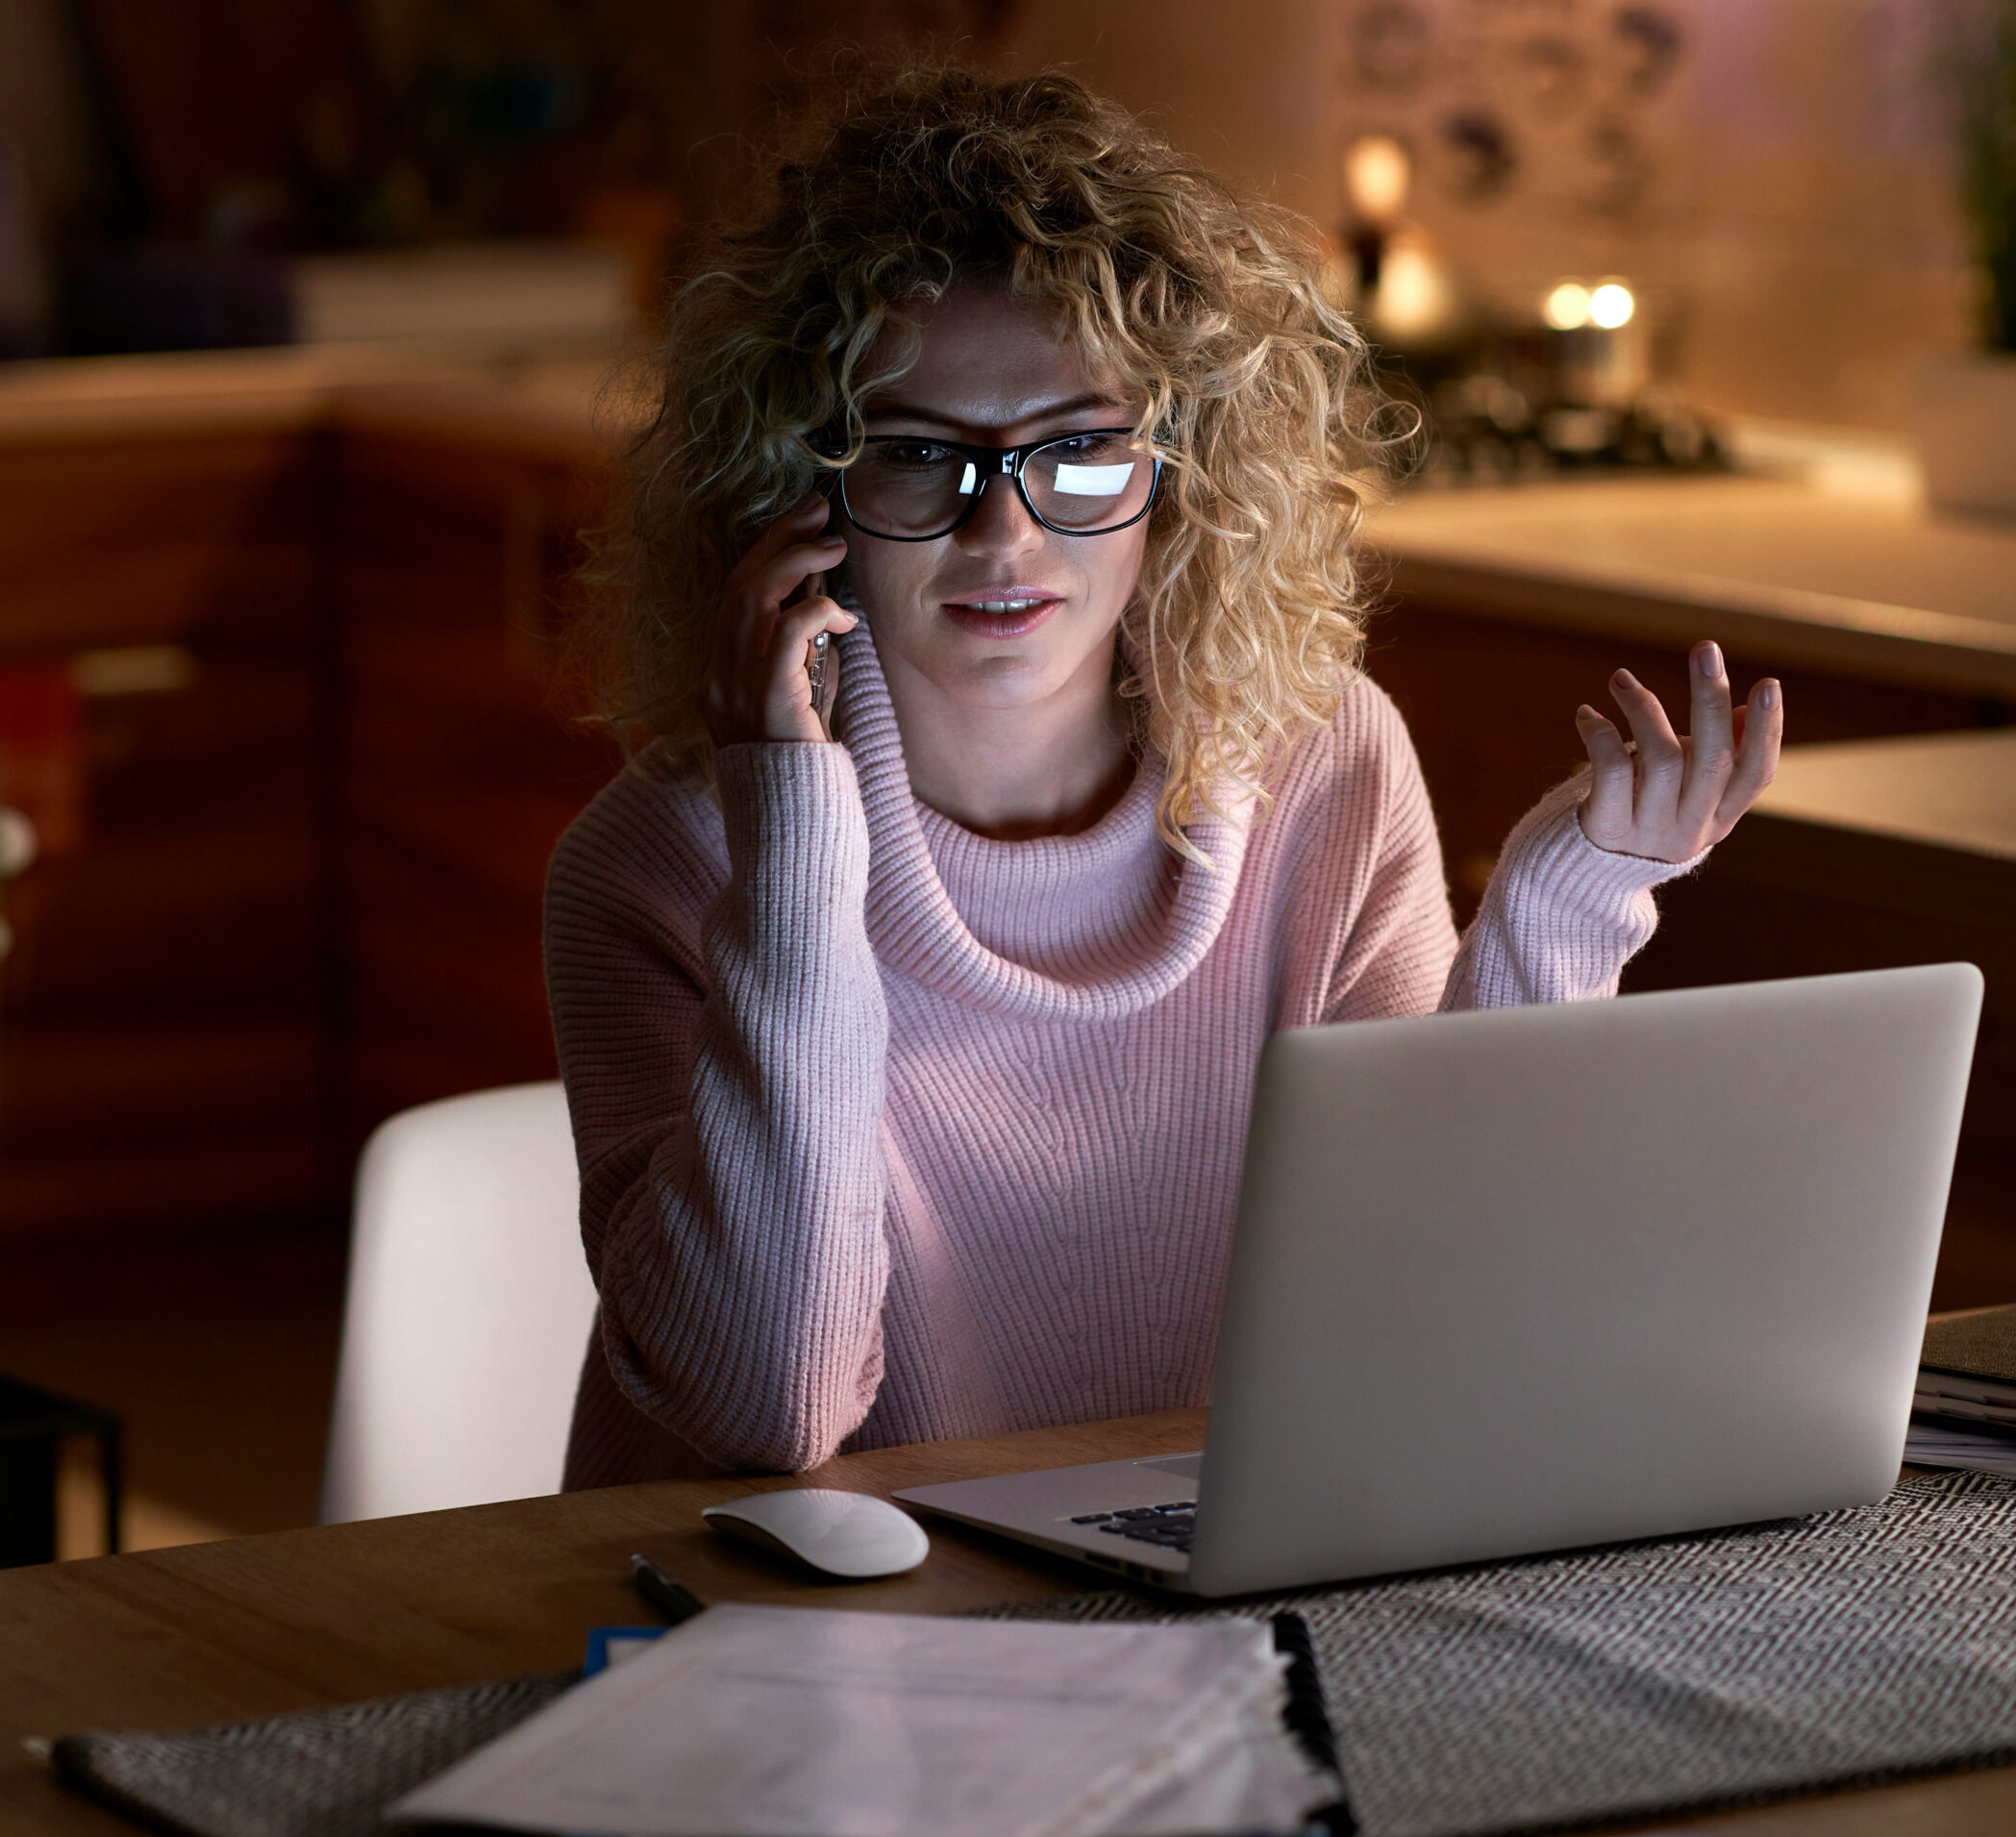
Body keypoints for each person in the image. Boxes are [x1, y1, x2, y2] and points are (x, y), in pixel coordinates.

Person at [547, 67, 1780, 1488]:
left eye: (1075, 453)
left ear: (1177, 470)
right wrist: (797, 833)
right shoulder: (654, 866)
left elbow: (1432, 1301)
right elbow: (767, 1405)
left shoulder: (1323, 765)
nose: (1002, 539)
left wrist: (1562, 910)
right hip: (792, 1628)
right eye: (916, 457)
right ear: (794, 489)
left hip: (1204, 1575)